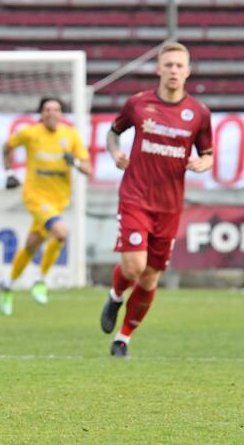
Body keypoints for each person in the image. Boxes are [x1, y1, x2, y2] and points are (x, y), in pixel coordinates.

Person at [100, 42, 213, 358]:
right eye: (169, 65)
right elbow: (113, 132)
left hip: (170, 206)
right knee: (135, 266)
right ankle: (116, 294)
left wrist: (203, 163)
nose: (174, 70)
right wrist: (115, 153)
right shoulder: (138, 104)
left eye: (180, 65)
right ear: (159, 69)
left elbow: (207, 154)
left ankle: (123, 338)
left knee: (150, 277)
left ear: (187, 71)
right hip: (135, 196)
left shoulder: (199, 113)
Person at [0, 97, 91, 316]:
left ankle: (8, 284)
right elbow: (7, 146)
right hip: (35, 197)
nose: (51, 113)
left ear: (61, 114)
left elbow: (88, 168)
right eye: (47, 109)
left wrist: (75, 163)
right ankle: (41, 280)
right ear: (41, 113)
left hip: (58, 201)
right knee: (61, 233)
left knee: (32, 244)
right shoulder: (31, 133)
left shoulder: (71, 136)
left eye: (56, 109)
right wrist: (10, 172)